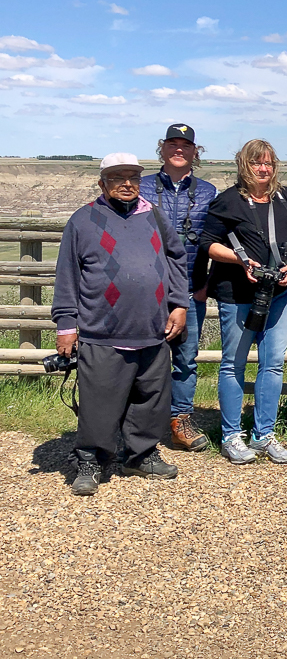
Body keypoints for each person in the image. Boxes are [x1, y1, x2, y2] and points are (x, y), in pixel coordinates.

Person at [53, 153, 188, 496]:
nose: (127, 184)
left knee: (150, 397)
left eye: (133, 177)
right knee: (100, 401)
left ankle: (139, 455)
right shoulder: (83, 220)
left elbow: (176, 259)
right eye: (117, 178)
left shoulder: (153, 216)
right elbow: (68, 273)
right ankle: (90, 459)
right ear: (103, 183)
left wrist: (178, 304)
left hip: (153, 327)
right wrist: (66, 323)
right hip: (103, 329)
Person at [200, 139, 287, 466]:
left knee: (273, 364)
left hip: (278, 294)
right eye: (256, 163)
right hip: (237, 295)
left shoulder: (285, 197)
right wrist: (240, 261)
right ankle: (231, 436)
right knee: (234, 363)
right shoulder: (228, 201)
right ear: (243, 166)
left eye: (269, 163)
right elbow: (208, 243)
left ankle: (264, 435)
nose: (264, 169)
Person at [139, 124, 218, 452]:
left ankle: (179, 421)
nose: (179, 149)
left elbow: (215, 240)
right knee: (143, 358)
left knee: (186, 359)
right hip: (146, 291)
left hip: (189, 289)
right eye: (172, 143)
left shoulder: (207, 192)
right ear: (163, 148)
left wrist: (205, 286)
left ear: (194, 151)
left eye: (185, 145)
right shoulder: (141, 188)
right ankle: (140, 423)